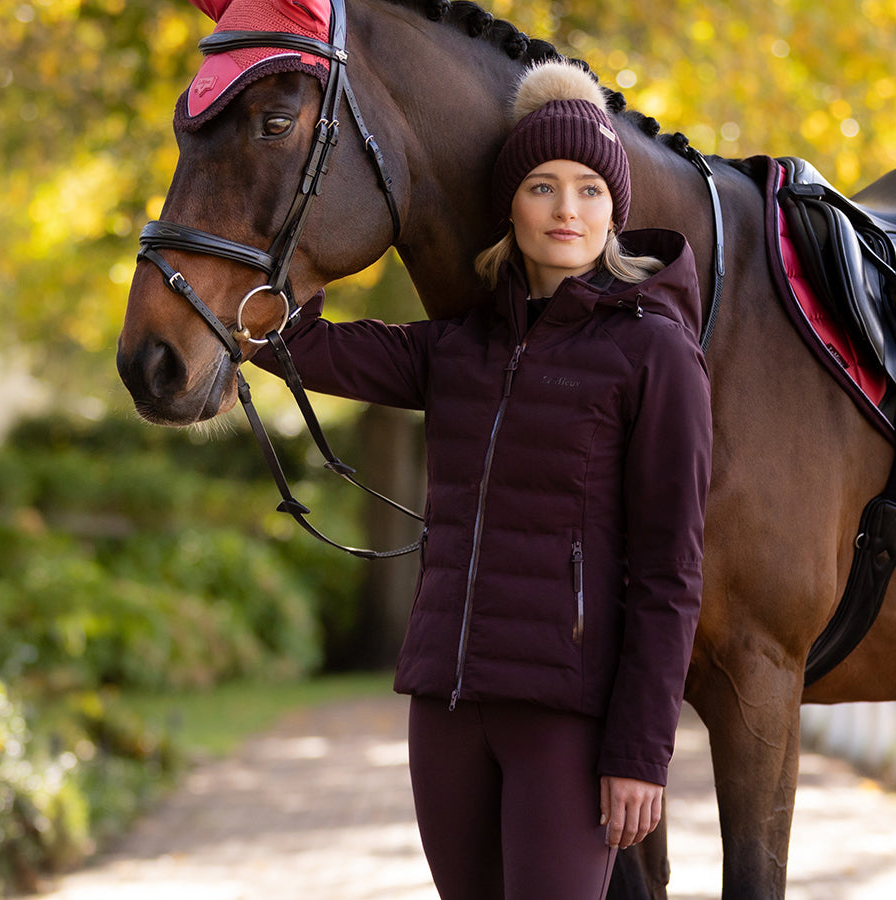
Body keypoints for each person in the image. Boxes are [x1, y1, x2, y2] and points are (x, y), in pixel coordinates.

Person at [252, 60, 711, 900]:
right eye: (542, 187)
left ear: (614, 211)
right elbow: (293, 341)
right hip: (447, 706)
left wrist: (642, 753)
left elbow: (670, 572)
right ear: (510, 205)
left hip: (566, 716)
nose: (567, 209)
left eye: (589, 190)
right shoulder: (456, 348)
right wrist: (293, 223)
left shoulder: (655, 351)